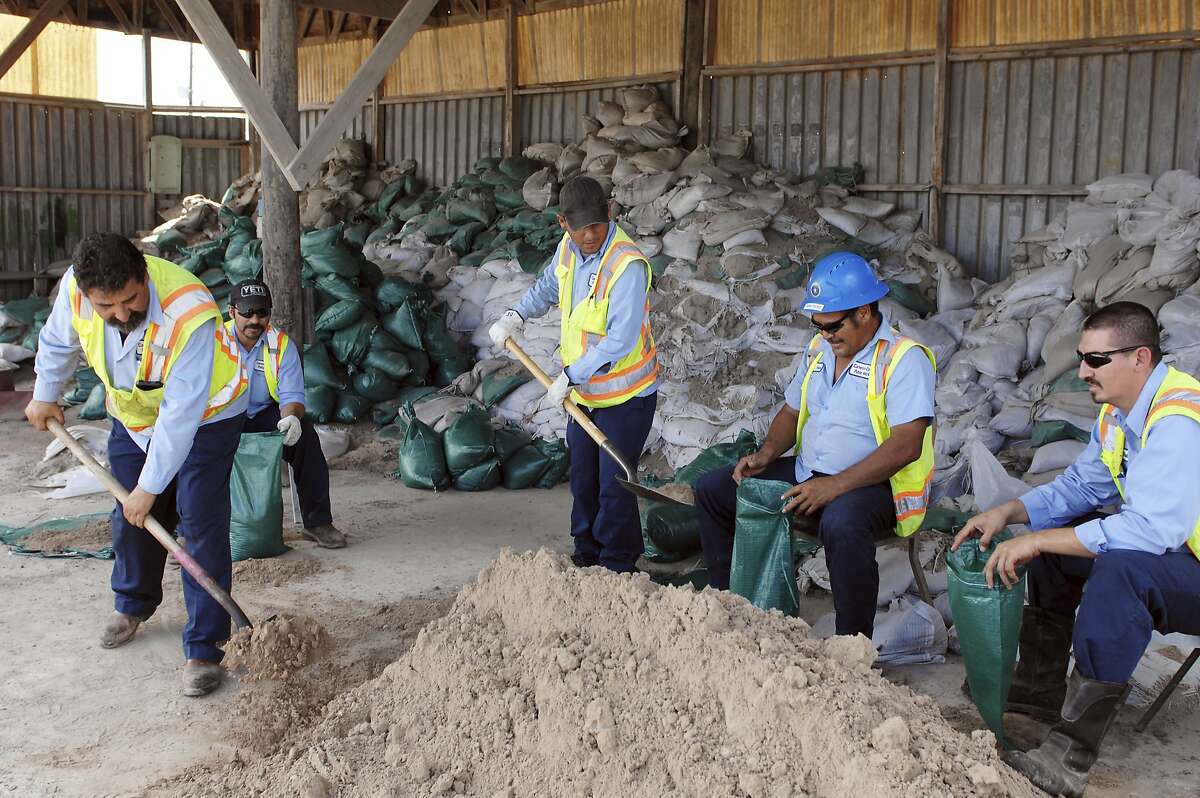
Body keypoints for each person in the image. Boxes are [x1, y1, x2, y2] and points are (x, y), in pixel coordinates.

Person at [952, 301, 1200, 798]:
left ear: (1140, 358)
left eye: (1096, 360)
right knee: (1059, 542)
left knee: (1119, 571)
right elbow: (1080, 489)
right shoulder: (1119, 413)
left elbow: (1151, 532)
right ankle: (1040, 692)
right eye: (1083, 357)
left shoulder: (1178, 418)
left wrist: (1038, 536)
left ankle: (1072, 755)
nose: (1083, 370)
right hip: (1178, 557)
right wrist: (1012, 513)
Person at [25, 233, 249, 697]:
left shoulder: (190, 310)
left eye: (131, 299)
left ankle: (206, 647)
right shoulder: (75, 289)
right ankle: (133, 604)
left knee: (199, 522)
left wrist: (150, 487)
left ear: (144, 275)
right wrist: (45, 394)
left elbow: (181, 416)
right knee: (128, 519)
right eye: (108, 306)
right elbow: (58, 341)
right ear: (88, 294)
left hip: (208, 416)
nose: (122, 315)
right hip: (132, 416)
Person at [694, 252, 936, 637]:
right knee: (714, 490)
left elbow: (907, 445)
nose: (826, 334)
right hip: (810, 472)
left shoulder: (904, 359)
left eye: (833, 325)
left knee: (842, 524)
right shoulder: (820, 350)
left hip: (874, 486)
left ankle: (852, 646)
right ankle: (729, 611)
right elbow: (792, 412)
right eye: (818, 325)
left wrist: (835, 486)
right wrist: (768, 452)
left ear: (864, 312)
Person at [488, 175, 659, 573]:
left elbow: (620, 338)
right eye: (581, 227)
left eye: (597, 225)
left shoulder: (626, 264)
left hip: (625, 397)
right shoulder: (568, 249)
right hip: (583, 395)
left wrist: (571, 374)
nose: (591, 235)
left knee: (613, 484)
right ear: (563, 223)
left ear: (609, 213)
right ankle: (586, 554)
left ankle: (618, 566)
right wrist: (517, 314)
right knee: (583, 479)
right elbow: (548, 287)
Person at [226, 279, 345, 549]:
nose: (255, 320)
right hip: (224, 416)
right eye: (247, 312)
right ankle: (188, 530)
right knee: (193, 451)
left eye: (262, 312)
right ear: (232, 312)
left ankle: (317, 522)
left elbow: (292, 396)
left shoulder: (280, 344)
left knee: (307, 440)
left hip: (265, 414)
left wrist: (291, 418)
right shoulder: (213, 342)